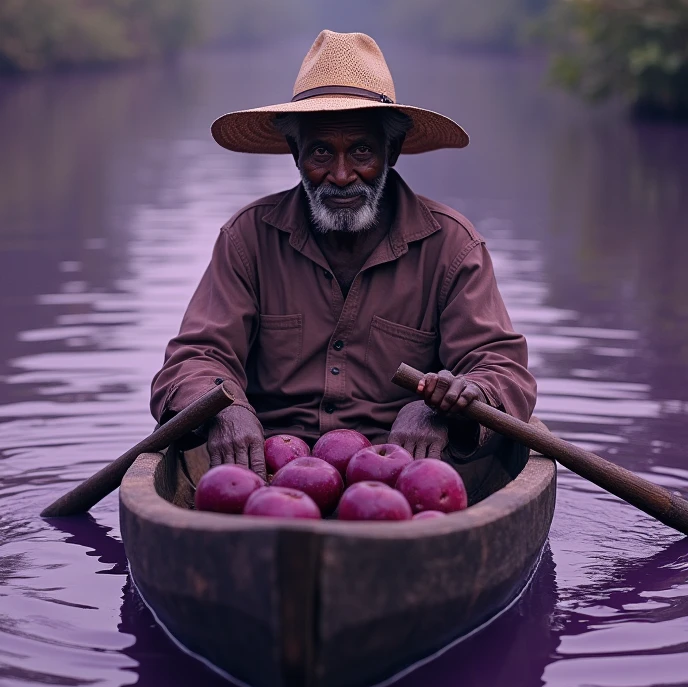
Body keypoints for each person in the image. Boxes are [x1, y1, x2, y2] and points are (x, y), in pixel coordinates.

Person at [151, 30, 536, 502]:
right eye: (319, 152)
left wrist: (448, 402)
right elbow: (193, 359)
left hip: (408, 477)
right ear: (295, 155)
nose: (340, 174)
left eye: (361, 151)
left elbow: (502, 370)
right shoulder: (248, 238)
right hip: (268, 474)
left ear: (391, 154)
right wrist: (223, 407)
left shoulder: (451, 245)